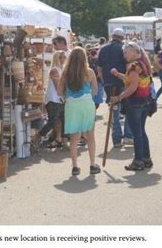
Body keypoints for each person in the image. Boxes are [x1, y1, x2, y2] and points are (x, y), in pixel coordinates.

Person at [110, 42, 153, 171]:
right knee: (141, 131)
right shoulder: (142, 64)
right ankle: (146, 158)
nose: (124, 55)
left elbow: (133, 87)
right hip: (144, 101)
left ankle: (138, 161)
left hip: (135, 103)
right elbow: (132, 81)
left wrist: (118, 98)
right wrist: (118, 74)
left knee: (137, 133)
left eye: (126, 52)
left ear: (134, 52)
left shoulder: (134, 66)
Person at [58, 47, 100, 176]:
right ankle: (92, 164)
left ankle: (75, 166)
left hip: (72, 105)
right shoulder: (89, 72)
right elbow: (95, 91)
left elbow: (59, 91)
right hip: (87, 104)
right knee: (90, 136)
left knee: (74, 137)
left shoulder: (65, 73)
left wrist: (68, 95)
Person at [97, 28, 133, 148]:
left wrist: (104, 82)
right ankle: (127, 136)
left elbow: (99, 69)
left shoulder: (103, 49)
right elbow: (129, 67)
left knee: (114, 111)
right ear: (122, 38)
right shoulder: (123, 49)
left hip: (108, 84)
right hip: (122, 83)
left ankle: (117, 139)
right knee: (127, 109)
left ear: (112, 36)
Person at [39, 51, 66, 148]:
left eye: (64, 57)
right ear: (57, 58)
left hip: (58, 99)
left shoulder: (61, 69)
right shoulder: (55, 70)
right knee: (53, 120)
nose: (64, 59)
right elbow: (57, 86)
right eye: (62, 57)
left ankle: (59, 139)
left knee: (60, 120)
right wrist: (63, 96)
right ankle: (40, 135)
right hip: (53, 99)